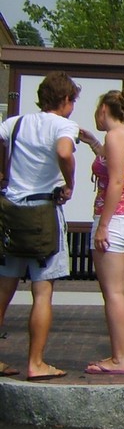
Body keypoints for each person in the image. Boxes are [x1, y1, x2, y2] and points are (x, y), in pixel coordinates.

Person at [0, 71, 81, 380]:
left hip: (11, 211)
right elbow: (63, 151)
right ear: (64, 99)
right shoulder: (63, 125)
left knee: (3, 288)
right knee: (42, 292)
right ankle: (36, 362)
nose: (73, 106)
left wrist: (2, 172)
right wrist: (69, 182)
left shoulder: (16, 123)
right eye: (72, 100)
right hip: (43, 212)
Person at [79, 88, 124, 375]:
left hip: (115, 221)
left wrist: (102, 226)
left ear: (105, 109)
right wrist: (93, 142)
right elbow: (112, 163)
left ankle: (118, 359)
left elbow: (115, 182)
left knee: (113, 294)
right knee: (122, 293)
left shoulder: (115, 136)